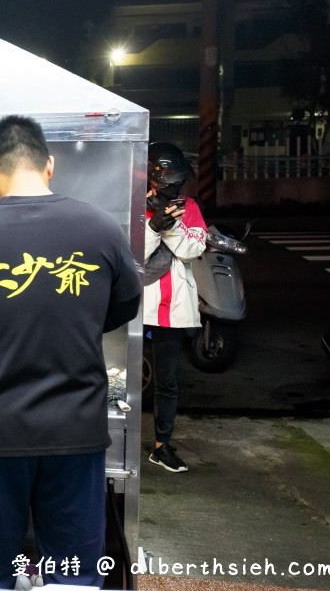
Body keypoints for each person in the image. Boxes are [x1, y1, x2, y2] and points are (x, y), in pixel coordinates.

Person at [0, 115, 141, 589]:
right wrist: (72, 327)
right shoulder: (101, 229)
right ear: (49, 166)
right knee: (74, 573)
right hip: (76, 434)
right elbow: (123, 305)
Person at [142, 142, 207, 473]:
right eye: (167, 181)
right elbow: (129, 254)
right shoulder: (134, 205)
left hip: (172, 307)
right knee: (113, 376)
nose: (172, 187)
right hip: (135, 304)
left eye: (176, 182)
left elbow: (193, 249)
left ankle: (161, 445)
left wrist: (170, 224)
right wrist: (153, 225)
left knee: (167, 381)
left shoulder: (189, 206)